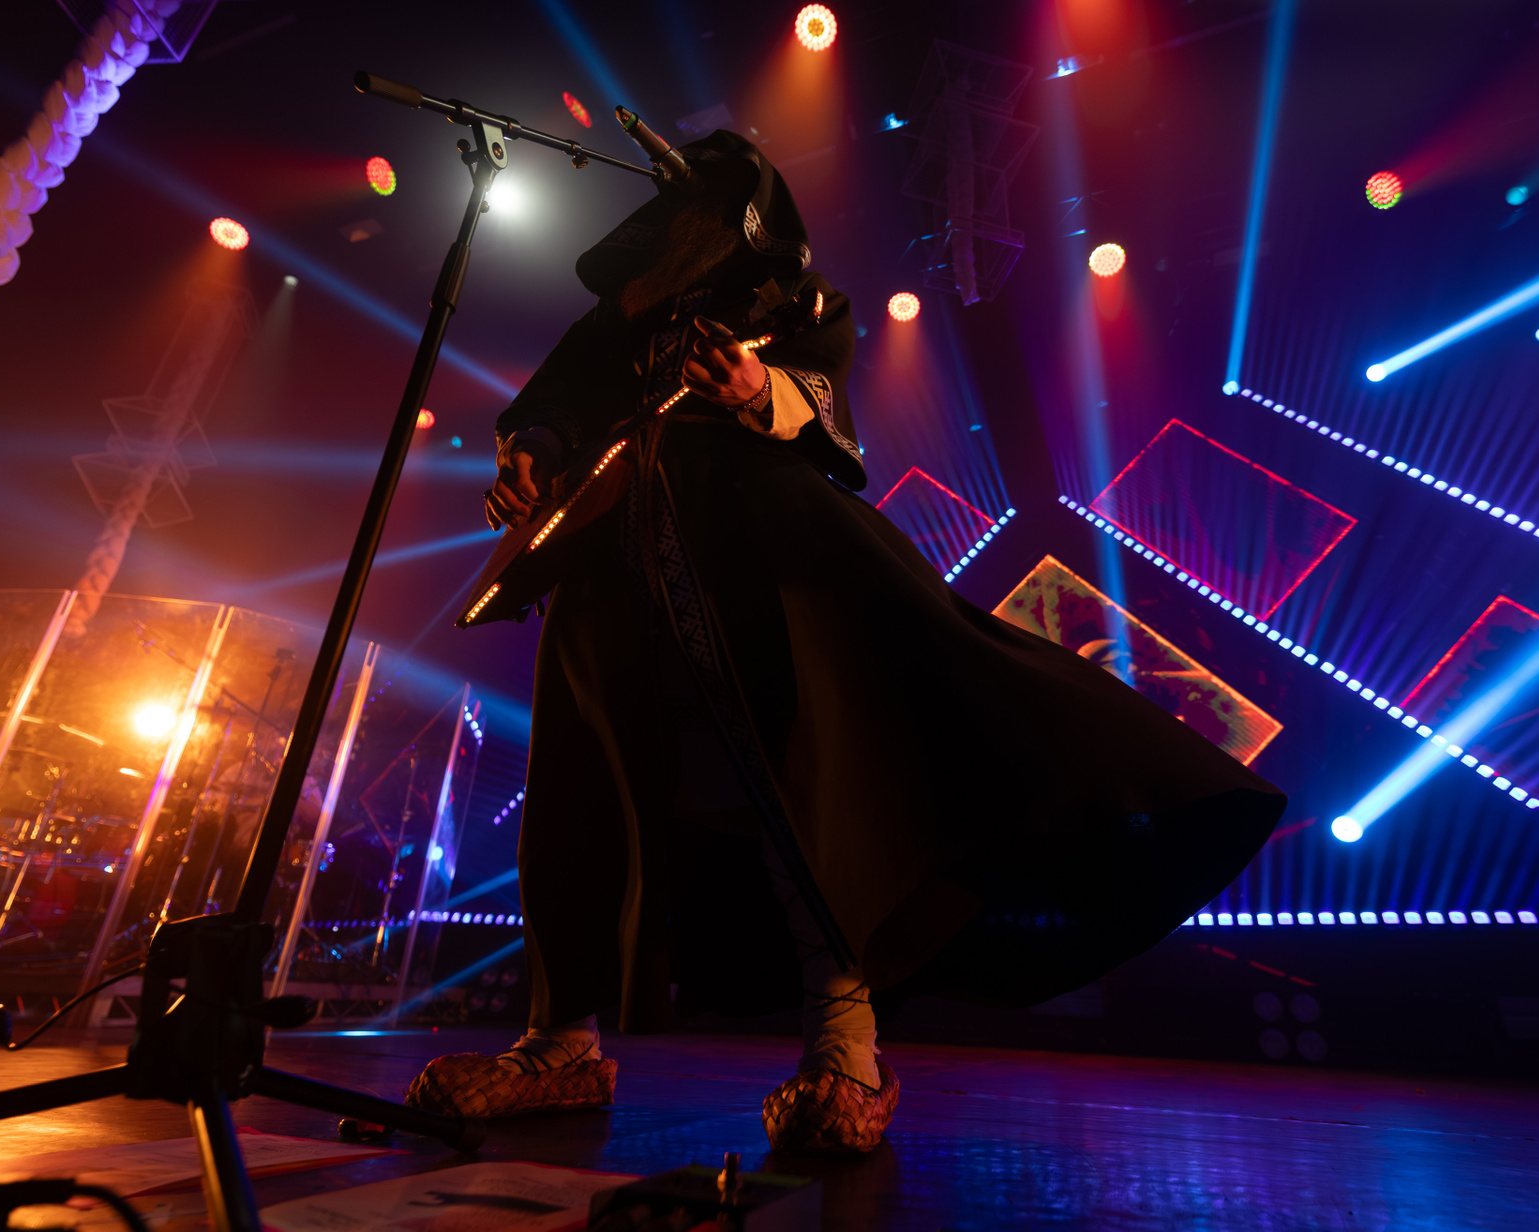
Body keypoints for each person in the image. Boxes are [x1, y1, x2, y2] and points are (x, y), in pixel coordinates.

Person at [405, 131, 1285, 1153]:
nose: (682, 226)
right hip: (610, 578)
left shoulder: (795, 299)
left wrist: (755, 390)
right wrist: (529, 454)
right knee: (579, 793)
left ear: (741, 217)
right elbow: (552, 407)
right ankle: (559, 1042)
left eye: (704, 209)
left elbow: (819, 393)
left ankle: (844, 1044)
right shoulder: (617, 319)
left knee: (806, 790)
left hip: (767, 568)